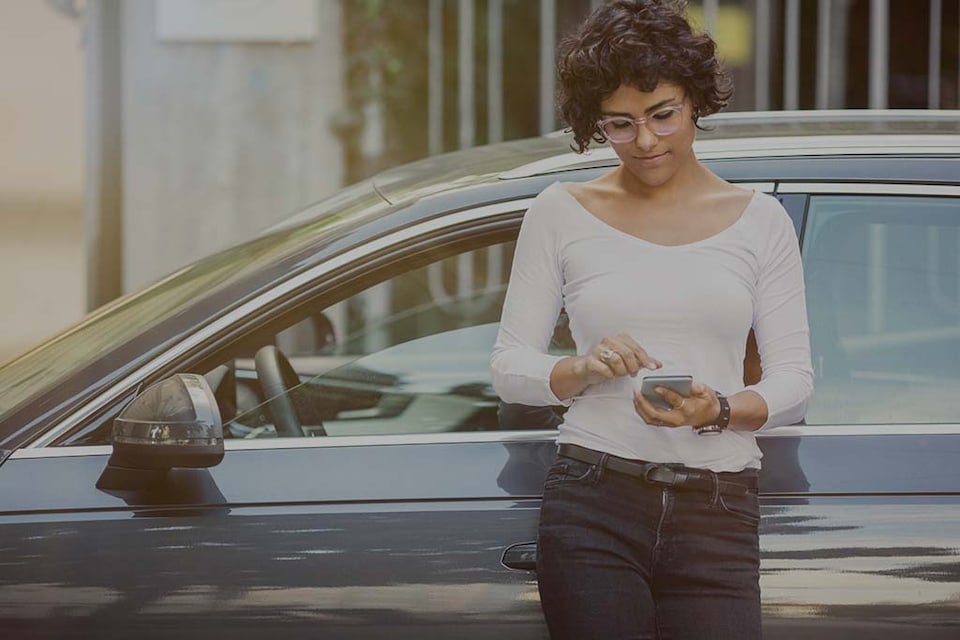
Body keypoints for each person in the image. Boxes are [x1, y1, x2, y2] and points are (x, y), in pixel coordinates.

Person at [489, 1, 814, 638]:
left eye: (662, 115)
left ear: (694, 102)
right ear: (596, 125)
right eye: (619, 124)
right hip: (594, 495)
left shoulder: (760, 220)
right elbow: (508, 366)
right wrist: (580, 368)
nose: (645, 140)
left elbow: (795, 381)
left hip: (717, 507)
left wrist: (717, 409)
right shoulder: (560, 212)